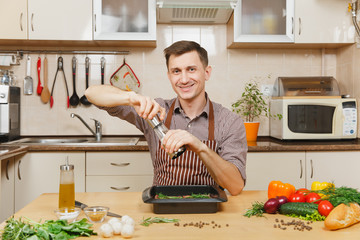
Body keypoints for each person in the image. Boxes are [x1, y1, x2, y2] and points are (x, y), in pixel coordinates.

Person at [85, 40, 247, 195]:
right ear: (169, 76)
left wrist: (200, 147)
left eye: (191, 69)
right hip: (163, 205)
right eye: (176, 71)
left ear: (206, 72)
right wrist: (130, 98)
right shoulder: (153, 111)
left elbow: (235, 186)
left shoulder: (229, 121)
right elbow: (91, 93)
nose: (184, 79)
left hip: (210, 206)